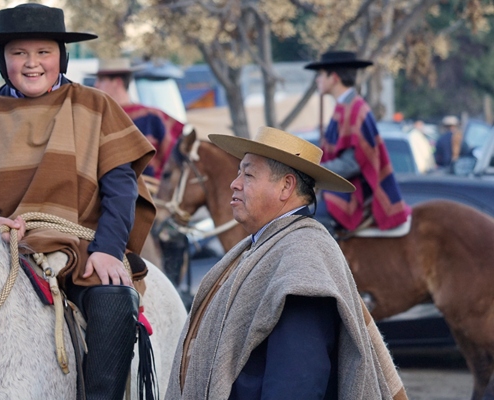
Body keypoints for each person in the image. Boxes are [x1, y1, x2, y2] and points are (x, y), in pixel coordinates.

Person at [0, 4, 156, 399]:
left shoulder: (95, 106)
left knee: (113, 300)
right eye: (19, 53)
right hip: (0, 250)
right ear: (3, 60)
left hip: (82, 249)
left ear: (61, 57)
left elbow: (121, 189)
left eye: (43, 52)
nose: (32, 64)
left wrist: (107, 250)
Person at [166, 126, 407, 399]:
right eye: (238, 173)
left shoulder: (302, 259)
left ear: (286, 186)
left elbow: (297, 382)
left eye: (248, 174)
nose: (235, 184)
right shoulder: (265, 247)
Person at [305, 51, 411, 234]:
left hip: (353, 194)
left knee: (307, 219)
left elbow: (352, 163)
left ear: (334, 77)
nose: (318, 80)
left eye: (321, 74)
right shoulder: (346, 107)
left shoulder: (355, 109)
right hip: (340, 189)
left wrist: (314, 171)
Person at [92, 58, 184, 184]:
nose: (96, 85)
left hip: (152, 195)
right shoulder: (95, 119)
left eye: (101, 80)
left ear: (117, 82)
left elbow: (176, 154)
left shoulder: (153, 116)